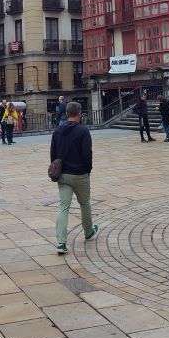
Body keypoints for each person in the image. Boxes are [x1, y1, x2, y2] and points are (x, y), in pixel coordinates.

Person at [50, 102, 98, 255]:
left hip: (63, 175)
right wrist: (88, 170)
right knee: (84, 203)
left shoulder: (57, 131)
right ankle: (89, 232)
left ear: (66, 114)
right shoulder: (83, 131)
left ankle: (61, 243)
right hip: (80, 174)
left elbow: (53, 155)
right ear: (79, 114)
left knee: (63, 207)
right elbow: (87, 154)